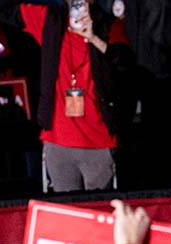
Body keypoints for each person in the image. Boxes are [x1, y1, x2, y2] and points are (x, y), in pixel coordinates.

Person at [18, 0, 132, 192]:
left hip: (97, 140)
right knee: (67, 216)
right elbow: (0, 7)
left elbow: (126, 60)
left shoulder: (107, 22)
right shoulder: (51, 18)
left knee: (99, 214)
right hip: (58, 139)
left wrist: (94, 38)